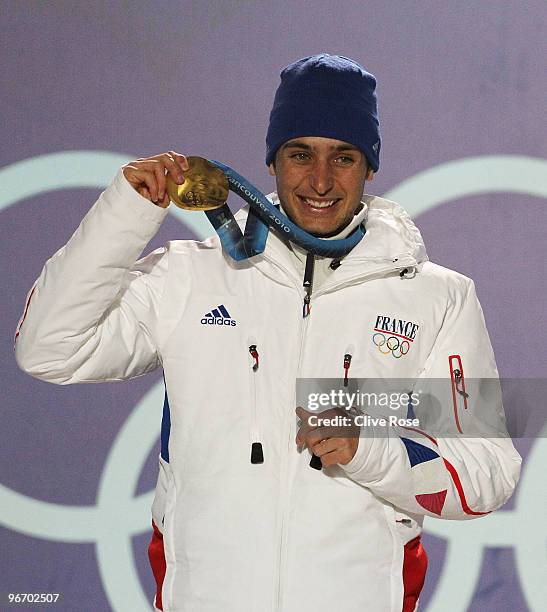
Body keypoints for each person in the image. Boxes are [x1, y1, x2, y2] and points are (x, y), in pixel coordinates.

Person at [15, 54, 521, 612]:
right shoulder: (191, 275)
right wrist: (123, 214)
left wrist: (370, 451)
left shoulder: (437, 298)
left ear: (370, 167)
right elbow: (49, 350)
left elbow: (486, 475)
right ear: (273, 162)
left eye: (344, 157)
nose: (321, 180)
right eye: (300, 154)